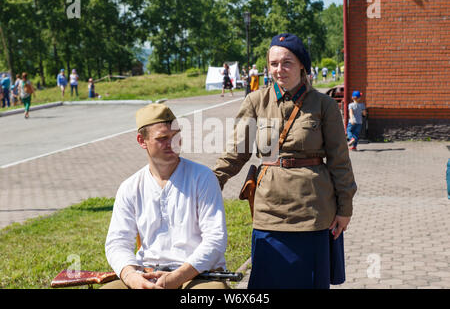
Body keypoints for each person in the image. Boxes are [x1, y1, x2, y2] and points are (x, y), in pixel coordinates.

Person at [213, 33, 357, 289]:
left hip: (313, 211)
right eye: (274, 63)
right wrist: (210, 181)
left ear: (302, 64)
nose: (279, 70)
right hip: (269, 210)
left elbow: (340, 161)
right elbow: (237, 153)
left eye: (287, 62)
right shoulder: (256, 101)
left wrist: (345, 208)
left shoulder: (323, 105)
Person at [103, 103, 228, 289]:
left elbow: (215, 239)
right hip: (147, 275)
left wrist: (178, 276)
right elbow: (117, 242)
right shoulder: (130, 187)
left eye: (176, 135)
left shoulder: (202, 177)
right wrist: (131, 277)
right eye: (163, 138)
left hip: (196, 275)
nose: (173, 143)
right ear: (141, 140)